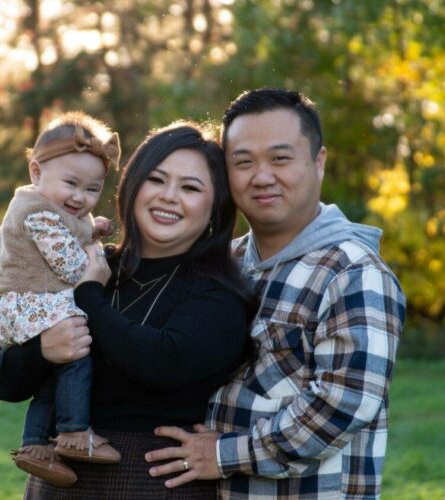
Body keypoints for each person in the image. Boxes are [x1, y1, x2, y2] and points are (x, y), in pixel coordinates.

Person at [145, 88, 406, 499]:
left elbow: (343, 405)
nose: (262, 176)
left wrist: (224, 455)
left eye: (280, 159)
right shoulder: (225, 262)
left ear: (318, 162)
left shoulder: (352, 272)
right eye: (243, 162)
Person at [0, 122, 253, 498]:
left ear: (215, 207)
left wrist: (90, 297)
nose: (169, 197)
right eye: (156, 180)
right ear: (132, 186)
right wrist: (42, 349)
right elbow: (2, 381)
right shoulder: (81, 265)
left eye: (190, 188)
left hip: (152, 483)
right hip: (56, 482)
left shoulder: (217, 293)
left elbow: (160, 361)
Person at [0, 112, 123, 487]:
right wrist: (99, 257)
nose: (80, 197)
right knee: (77, 345)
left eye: (93, 189)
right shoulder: (36, 213)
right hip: (27, 304)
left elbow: (67, 232)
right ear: (36, 173)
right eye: (70, 184)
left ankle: (35, 446)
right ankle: (75, 432)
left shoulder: (45, 208)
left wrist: (88, 228)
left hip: (23, 304)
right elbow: (69, 264)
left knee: (53, 372)